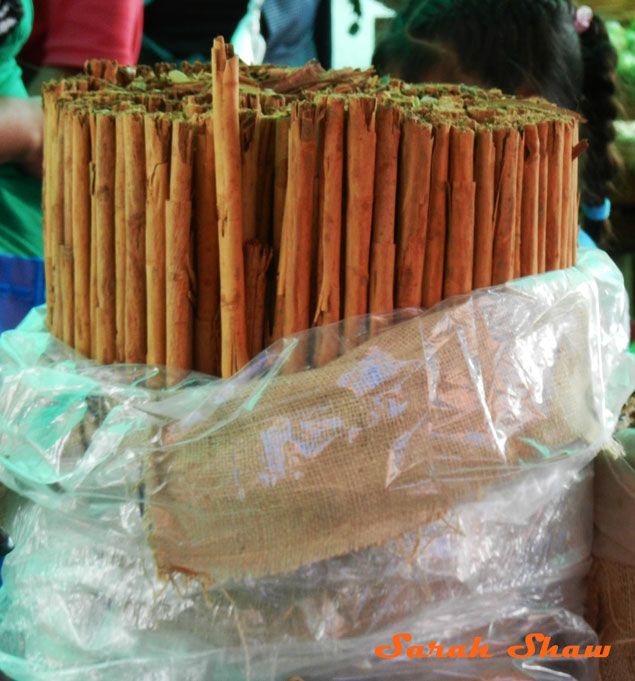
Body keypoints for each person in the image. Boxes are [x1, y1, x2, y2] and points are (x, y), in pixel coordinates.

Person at [373, 0, 620, 248]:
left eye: (456, 142)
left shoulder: (571, 281)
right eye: (398, 129)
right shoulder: (374, 247)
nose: (413, 164)